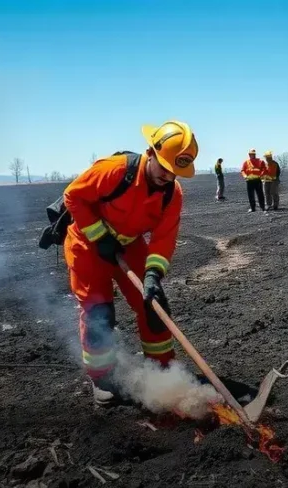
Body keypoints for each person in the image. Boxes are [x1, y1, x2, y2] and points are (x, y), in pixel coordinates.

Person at [61, 120, 197, 406]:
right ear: (150, 152)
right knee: (99, 313)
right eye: (164, 168)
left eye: (175, 172)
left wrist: (153, 274)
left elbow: (163, 238)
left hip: (129, 243)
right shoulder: (114, 170)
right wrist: (98, 235)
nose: (168, 177)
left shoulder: (172, 193)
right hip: (88, 245)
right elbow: (73, 196)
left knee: (154, 306)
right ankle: (102, 379)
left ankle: (162, 371)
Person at [240, 149, 266, 213]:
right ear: (249, 155)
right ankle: (252, 208)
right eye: (251, 154)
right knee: (250, 195)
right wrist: (245, 176)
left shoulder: (260, 161)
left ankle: (263, 207)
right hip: (249, 181)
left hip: (257, 180)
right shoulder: (246, 162)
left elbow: (264, 169)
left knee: (260, 194)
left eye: (253, 154)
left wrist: (261, 174)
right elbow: (242, 170)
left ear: (255, 154)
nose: (252, 155)